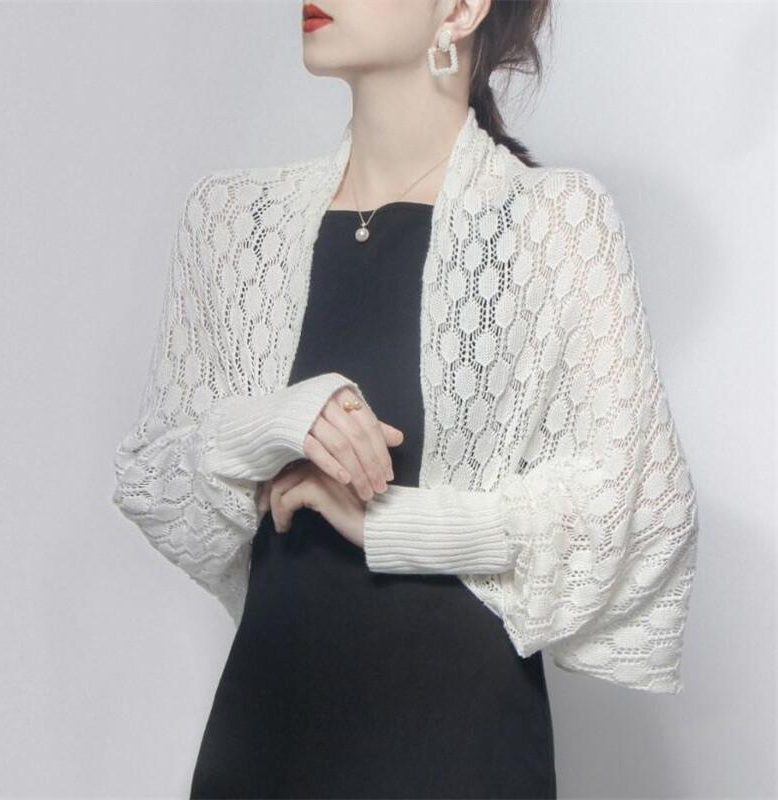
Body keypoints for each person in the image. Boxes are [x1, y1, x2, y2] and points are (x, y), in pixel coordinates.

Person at [112, 1, 699, 798]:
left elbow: (641, 505)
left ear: (459, 9)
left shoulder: (554, 221)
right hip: (267, 733)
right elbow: (153, 475)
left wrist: (395, 523)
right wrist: (281, 421)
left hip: (458, 743)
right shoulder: (231, 223)